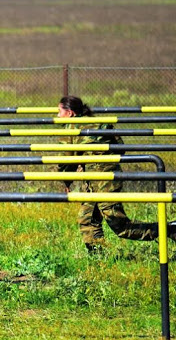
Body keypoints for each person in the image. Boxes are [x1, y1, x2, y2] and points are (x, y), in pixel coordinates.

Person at [56, 95, 176, 254]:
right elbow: (120, 147)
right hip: (105, 176)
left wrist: (66, 181)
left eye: (59, 111)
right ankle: (98, 259)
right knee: (87, 220)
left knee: (121, 226)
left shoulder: (70, 127)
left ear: (70, 113)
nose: (58, 116)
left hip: (101, 179)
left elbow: (65, 159)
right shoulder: (102, 122)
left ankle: (168, 229)